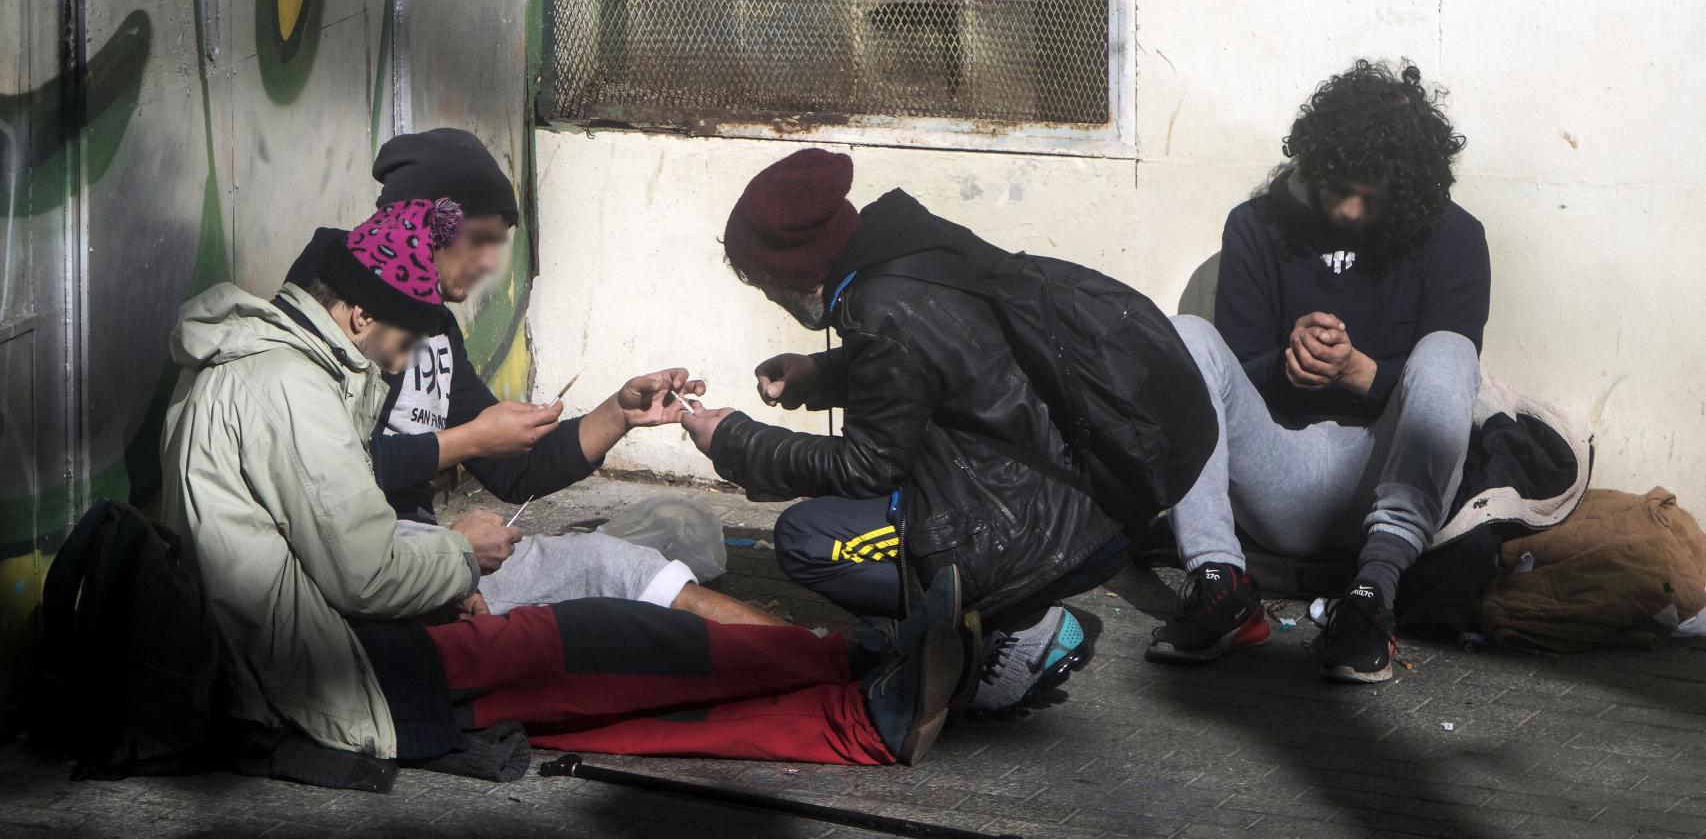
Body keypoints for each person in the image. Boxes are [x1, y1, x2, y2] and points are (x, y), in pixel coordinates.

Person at [160, 198, 971, 770]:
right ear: (359, 315)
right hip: (346, 675)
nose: (407, 362)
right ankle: (865, 695)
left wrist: (604, 420)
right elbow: (361, 569)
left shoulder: (272, 370)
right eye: (407, 335)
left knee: (621, 663)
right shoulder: (286, 388)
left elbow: (344, 544)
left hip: (356, 641)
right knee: (611, 654)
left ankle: (865, 674)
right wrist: (455, 555)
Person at [680, 148, 1199, 713]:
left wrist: (735, 440)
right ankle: (984, 623)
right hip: (1091, 495)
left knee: (807, 538)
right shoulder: (918, 248)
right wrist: (821, 374)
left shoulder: (881, 309)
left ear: (798, 269)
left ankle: (1013, 626)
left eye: (765, 284)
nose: (769, 298)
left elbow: (867, 466)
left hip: (1045, 529)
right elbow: (944, 368)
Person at [285, 128, 782, 627]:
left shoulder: (437, 326)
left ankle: (814, 660)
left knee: (618, 566)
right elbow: (329, 471)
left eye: (498, 244)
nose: (488, 263)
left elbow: (512, 473)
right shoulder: (336, 288)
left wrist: (619, 413)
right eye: (479, 239)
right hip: (350, 564)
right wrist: (471, 444)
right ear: (424, 221)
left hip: (431, 550)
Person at [1147, 60, 1488, 683]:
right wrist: (1287, 367)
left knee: (1450, 349)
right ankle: (1218, 584)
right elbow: (1238, 373)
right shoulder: (1256, 226)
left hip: (1383, 478)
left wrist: (1359, 372)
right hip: (1277, 471)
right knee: (1184, 334)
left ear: (1407, 186)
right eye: (1339, 189)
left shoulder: (1455, 238)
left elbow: (1447, 388)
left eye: (1372, 195)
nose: (1352, 209)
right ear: (1315, 165)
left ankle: (1370, 601)